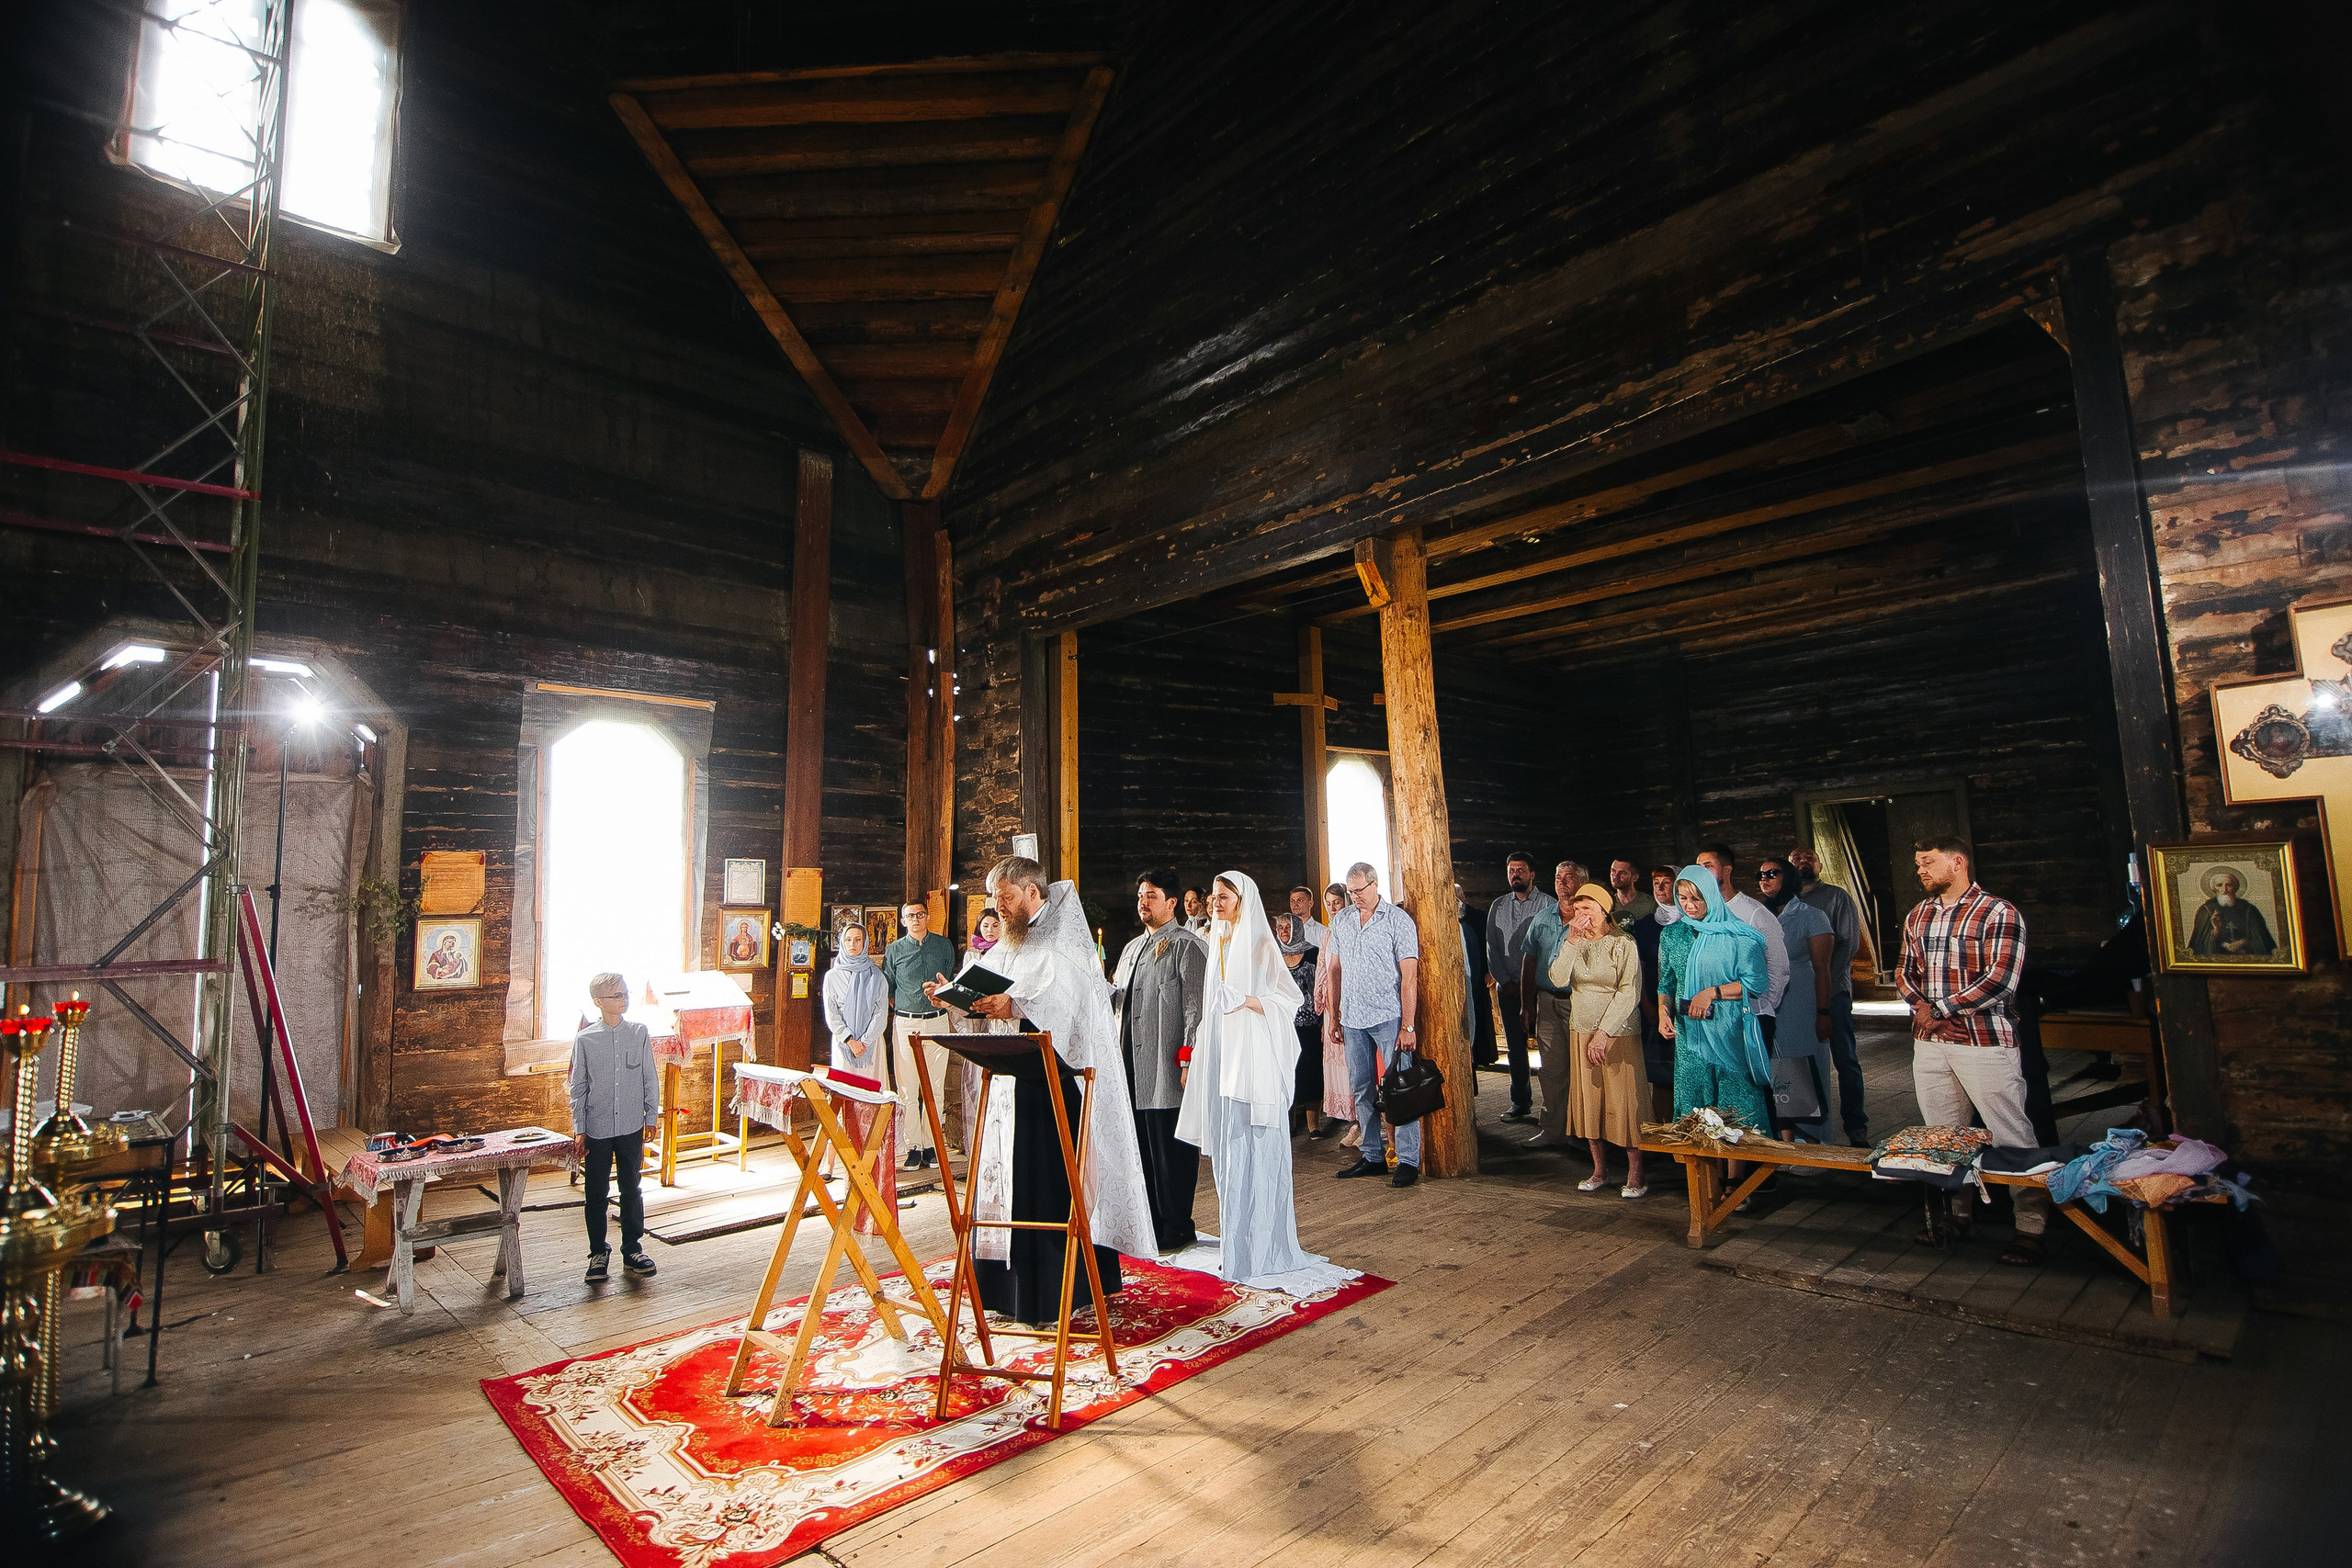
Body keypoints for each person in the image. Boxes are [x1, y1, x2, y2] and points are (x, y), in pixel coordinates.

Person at [922, 856, 1157, 1323]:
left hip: (1052, 1085)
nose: (999, 908)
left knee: (1046, 1185)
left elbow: (1067, 1005)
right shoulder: (1010, 942)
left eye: (1006, 898)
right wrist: (955, 994)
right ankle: (1000, 1287)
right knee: (1004, 1182)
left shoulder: (1064, 944)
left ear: (1032, 893)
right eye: (995, 899)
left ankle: (1051, 1289)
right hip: (1010, 1080)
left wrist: (1016, 1003)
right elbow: (984, 988)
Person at [1177, 872, 1354, 1291]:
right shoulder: (1214, 940)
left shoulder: (1259, 943)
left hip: (1253, 1058)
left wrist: (1246, 1001)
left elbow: (1288, 1000)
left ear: (1242, 900)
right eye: (1213, 897)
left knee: (1251, 1151)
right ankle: (1236, 1247)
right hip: (1220, 1054)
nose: (1214, 903)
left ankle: (1262, 1247)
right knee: (1225, 1153)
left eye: (1223, 897)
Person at [1896, 836, 2049, 1266]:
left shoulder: (1998, 912)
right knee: (1944, 1134)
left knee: (2010, 1132)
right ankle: (1957, 1216)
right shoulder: (1919, 914)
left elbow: (2001, 979)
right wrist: (1922, 1008)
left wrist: (1941, 1007)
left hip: (1983, 1039)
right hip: (1930, 1041)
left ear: (1958, 861)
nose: (1921, 870)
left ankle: (2031, 1227)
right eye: (1918, 864)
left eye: (1928, 862)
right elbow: (1904, 970)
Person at [1107, 867, 1206, 1252]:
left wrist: (1188, 1060)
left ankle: (1178, 1226)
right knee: (1141, 1146)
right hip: (1132, 1064)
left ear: (1172, 902)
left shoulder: (1187, 945)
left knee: (1171, 1149)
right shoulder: (1132, 948)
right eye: (1140, 897)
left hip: (1169, 1067)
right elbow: (1118, 1000)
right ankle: (1148, 1221)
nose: (1143, 903)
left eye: (1151, 896)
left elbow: (1197, 1008)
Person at [1322, 861, 1424, 1188]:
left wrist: (1408, 1025)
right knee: (1361, 1087)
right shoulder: (1343, 920)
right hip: (1352, 1018)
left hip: (1387, 1015)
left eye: (1359, 891)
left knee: (1400, 1086)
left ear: (1375, 885)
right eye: (1350, 892)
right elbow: (1334, 970)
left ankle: (1408, 1159)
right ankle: (1372, 1155)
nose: (1354, 897)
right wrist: (1334, 1014)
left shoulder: (1397, 920)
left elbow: (1410, 976)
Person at [1551, 884, 1648, 1197]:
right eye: (1577, 910)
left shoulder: (1623, 943)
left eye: (1587, 909)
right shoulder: (1573, 941)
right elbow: (1557, 978)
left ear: (1604, 911)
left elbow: (1628, 991)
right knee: (1590, 1101)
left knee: (1625, 1102)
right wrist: (1572, 942)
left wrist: (1603, 1032)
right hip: (1581, 1029)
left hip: (1618, 1032)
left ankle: (1636, 1174)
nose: (1580, 916)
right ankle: (1599, 1170)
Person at [1658, 868, 1773, 1132]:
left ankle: (1735, 1174)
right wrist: (1664, 1013)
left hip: (1728, 1031)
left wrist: (1712, 992)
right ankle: (1703, 1172)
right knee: (1693, 1109)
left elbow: (1756, 984)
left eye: (1696, 899)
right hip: (1690, 1036)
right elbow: (1666, 982)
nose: (1689, 906)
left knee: (1736, 1107)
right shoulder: (1673, 935)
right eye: (1682, 898)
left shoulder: (1738, 935)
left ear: (1711, 895)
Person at [569, 971, 662, 1284]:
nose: (624, 1000)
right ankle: (598, 1252)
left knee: (631, 1186)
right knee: (596, 1191)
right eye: (617, 996)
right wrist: (580, 1128)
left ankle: (632, 1248)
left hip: (632, 1123)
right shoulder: (585, 1040)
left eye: (625, 993)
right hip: (597, 1125)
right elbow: (578, 1086)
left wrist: (651, 1115)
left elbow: (649, 1075)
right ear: (598, 1002)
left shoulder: (639, 1032)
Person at [1790, 845, 1870, 1145]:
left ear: (1819, 864)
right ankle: (1803, 1131)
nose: (1802, 861)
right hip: (1796, 997)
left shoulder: (1837, 897)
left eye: (1808, 857)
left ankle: (1856, 1126)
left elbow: (1846, 946)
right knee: (1797, 1059)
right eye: (1796, 858)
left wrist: (1823, 988)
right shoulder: (1786, 901)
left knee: (1845, 1059)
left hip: (1833, 991)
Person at [1758, 855, 1837, 1145]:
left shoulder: (1811, 916)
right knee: (1777, 1071)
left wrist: (1824, 1012)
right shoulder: (1758, 916)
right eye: (1761, 875)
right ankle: (1786, 1143)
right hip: (1768, 1004)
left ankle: (1815, 1143)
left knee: (1804, 1067)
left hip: (1801, 1003)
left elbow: (1823, 970)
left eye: (1772, 873)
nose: (1765, 879)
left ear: (1788, 877)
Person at [882, 899, 956, 1169]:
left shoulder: (943, 946)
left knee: (935, 1088)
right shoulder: (894, 950)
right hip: (906, 1023)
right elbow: (889, 989)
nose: (915, 920)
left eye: (920, 915)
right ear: (903, 921)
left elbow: (948, 981)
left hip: (938, 1022)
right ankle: (913, 1145)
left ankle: (932, 1145)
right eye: (910, 916)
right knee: (908, 1088)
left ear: (927, 917)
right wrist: (907, 1009)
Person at [1697, 844, 1787, 1049]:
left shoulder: (1753, 913)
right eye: (1698, 866)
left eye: (1708, 865)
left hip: (1752, 1016)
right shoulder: (1701, 913)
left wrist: (1764, 1005)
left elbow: (1777, 964)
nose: (1701, 871)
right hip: (1714, 1018)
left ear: (1726, 870)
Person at [1486, 852, 1544, 1125]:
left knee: (1549, 1046)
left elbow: (1549, 948)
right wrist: (1505, 980)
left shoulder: (1548, 905)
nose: (1515, 874)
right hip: (1507, 987)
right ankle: (1520, 1102)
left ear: (1532, 874)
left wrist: (1529, 985)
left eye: (1521, 870)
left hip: (1540, 989)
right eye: (1511, 870)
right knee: (1515, 1048)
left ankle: (1557, 1106)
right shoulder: (1498, 906)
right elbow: (1492, 947)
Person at [1274, 909, 1333, 1136]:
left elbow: (1321, 988)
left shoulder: (1313, 953)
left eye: (1288, 927)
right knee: (1286, 1072)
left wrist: (1323, 1022)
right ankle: (1288, 1124)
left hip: (1309, 1024)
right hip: (1283, 1023)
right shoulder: (1274, 954)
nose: (1284, 932)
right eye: (1280, 928)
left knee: (1310, 1073)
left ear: (1298, 929)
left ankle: (1314, 1124)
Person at [1628, 865, 1680, 1121]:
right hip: (1653, 1004)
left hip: (1685, 1006)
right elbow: (1636, 968)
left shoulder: (1690, 922)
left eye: (1666, 882)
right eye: (1656, 882)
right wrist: (1647, 1004)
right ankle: (1663, 1131)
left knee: (1685, 1071)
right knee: (1661, 1072)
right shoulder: (1645, 925)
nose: (1660, 888)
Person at [1313, 881, 1358, 1144]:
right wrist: (1324, 1007)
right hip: (1333, 1006)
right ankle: (1353, 1122)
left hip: (1350, 1003)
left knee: (1356, 1064)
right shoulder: (1329, 933)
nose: (1332, 908)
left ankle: (1363, 1122)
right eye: (1328, 904)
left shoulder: (1352, 930)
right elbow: (1323, 969)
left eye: (1337, 902)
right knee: (1339, 1066)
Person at [823, 923, 888, 1083]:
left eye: (858, 940)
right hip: (845, 1044)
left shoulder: (876, 976)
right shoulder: (832, 976)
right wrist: (850, 1041)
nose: (853, 944)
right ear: (843, 943)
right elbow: (832, 1014)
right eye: (848, 940)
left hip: (871, 1044)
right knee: (845, 1091)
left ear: (865, 943)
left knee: (873, 1090)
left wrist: (865, 1041)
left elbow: (881, 1012)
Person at [2188, 869, 2277, 955]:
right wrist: (2215, 931)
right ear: (2213, 888)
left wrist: (2243, 942)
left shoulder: (2249, 909)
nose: (2224, 890)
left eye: (2229, 885)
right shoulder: (2206, 910)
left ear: (2235, 887)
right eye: (2219, 885)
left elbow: (2262, 939)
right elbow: (2199, 944)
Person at [1608, 859, 1657, 926]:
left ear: (1635, 877)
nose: (1615, 876)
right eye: (1613, 871)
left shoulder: (1650, 904)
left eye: (1622, 873)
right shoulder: (1608, 903)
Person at [1286, 885, 1329, 952]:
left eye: (1300, 900)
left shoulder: (1323, 932)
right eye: (1292, 901)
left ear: (1310, 903)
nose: (1295, 904)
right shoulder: (1285, 931)